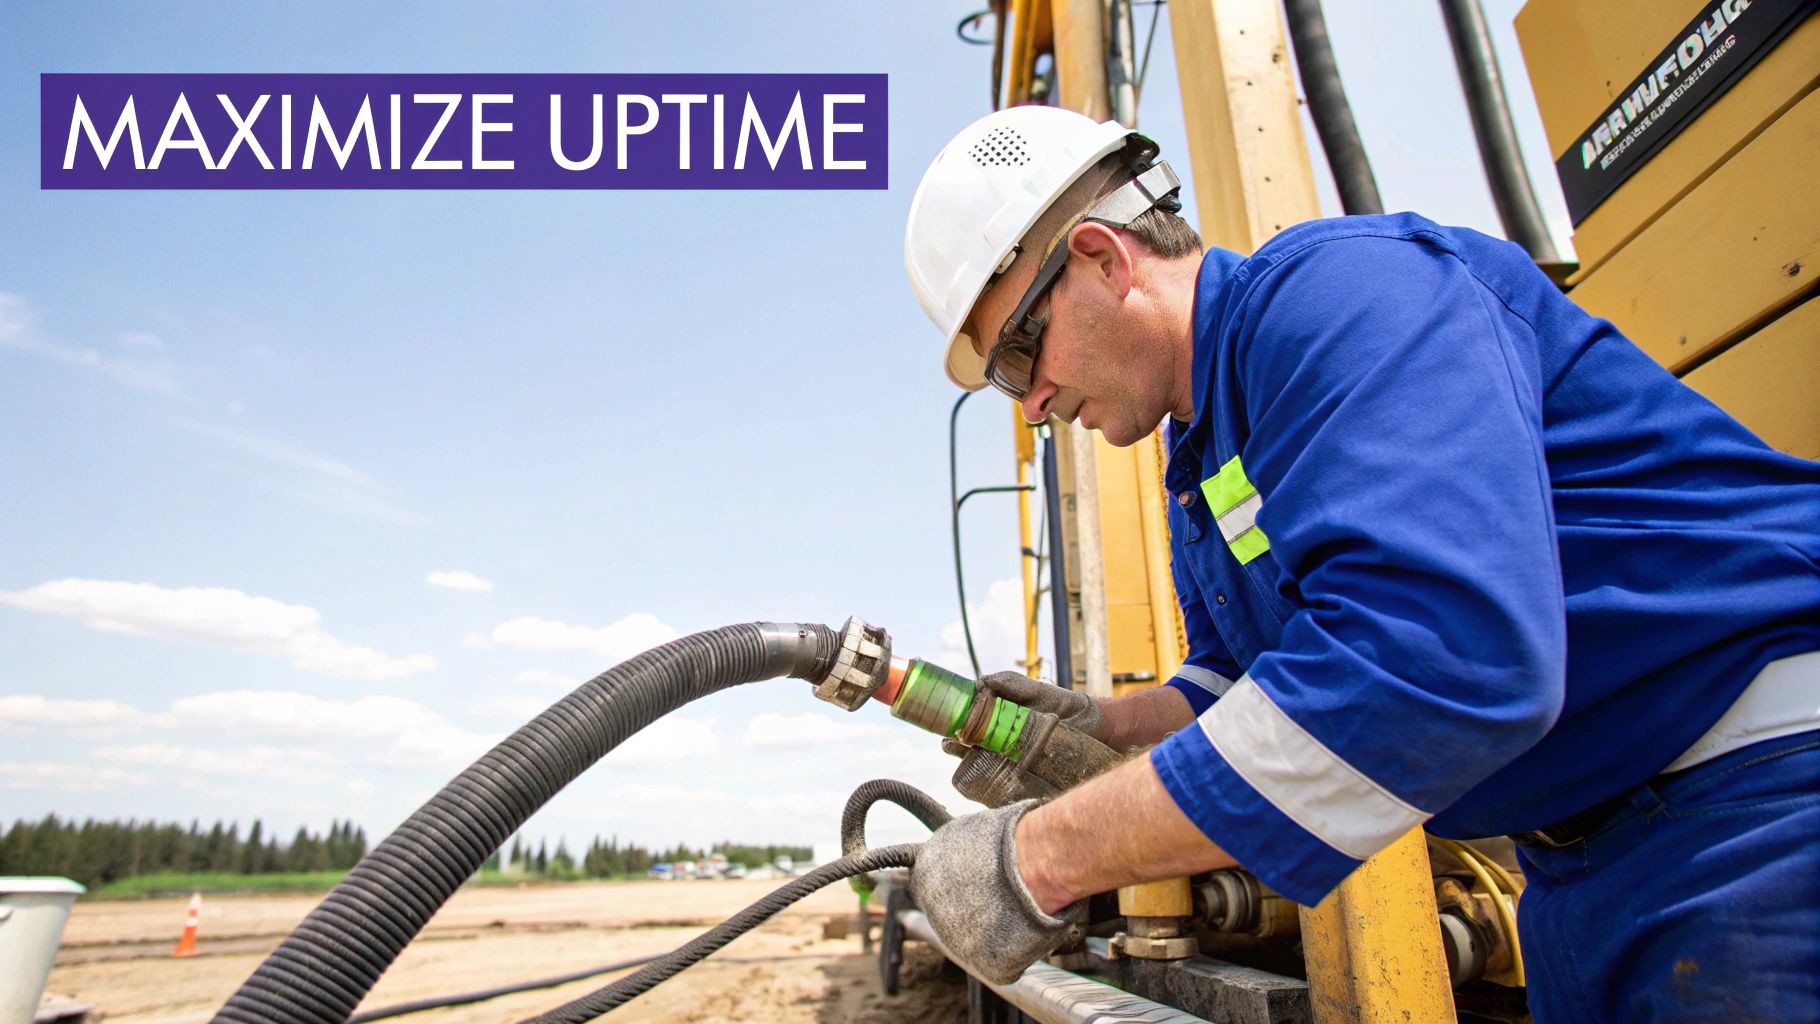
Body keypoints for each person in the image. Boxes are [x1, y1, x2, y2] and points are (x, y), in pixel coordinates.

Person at [900, 105, 1820, 1020]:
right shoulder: (1203, 457)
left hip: (1762, 801)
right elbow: (1242, 681)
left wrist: (1042, 858)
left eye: (1018, 355)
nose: (1031, 404)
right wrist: (1106, 724)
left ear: (1103, 257)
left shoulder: (1340, 295)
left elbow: (1439, 659)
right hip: (1579, 870)